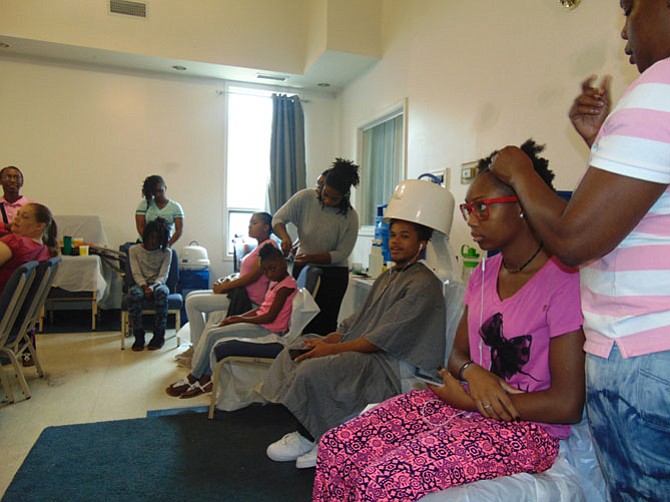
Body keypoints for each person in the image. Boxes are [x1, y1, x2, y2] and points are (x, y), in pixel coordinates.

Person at [312, 141, 585, 500]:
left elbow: (567, 405)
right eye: (468, 208)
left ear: (522, 206)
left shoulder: (563, 281)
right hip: (467, 403)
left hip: (528, 428)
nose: (471, 219)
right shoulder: (484, 275)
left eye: (482, 208)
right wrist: (475, 374)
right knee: (338, 446)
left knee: (383, 479)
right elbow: (457, 356)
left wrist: (474, 402)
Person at [488, 3, 670, 498]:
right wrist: (603, 147)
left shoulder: (662, 84)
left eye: (630, 8)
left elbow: (573, 241)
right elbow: (637, 218)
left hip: (644, 351)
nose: (624, 29)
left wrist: (520, 169)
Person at [262, 217, 447, 470]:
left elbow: (381, 339)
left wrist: (331, 350)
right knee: (299, 347)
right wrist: (332, 337)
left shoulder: (423, 284)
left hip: (391, 363)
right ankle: (309, 430)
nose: (395, 241)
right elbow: (360, 319)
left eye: (405, 236)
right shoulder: (390, 276)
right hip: (370, 348)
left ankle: (316, 436)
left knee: (314, 368)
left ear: (421, 244)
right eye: (393, 235)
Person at [165, 243, 297, 398]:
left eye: (272, 268)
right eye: (265, 271)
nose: (269, 274)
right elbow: (262, 309)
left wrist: (240, 319)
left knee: (214, 335)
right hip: (262, 323)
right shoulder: (276, 282)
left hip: (269, 330)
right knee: (214, 330)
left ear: (282, 261)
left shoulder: (286, 286)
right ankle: (205, 377)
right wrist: (237, 318)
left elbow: (270, 317)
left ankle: (194, 376)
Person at [272, 158, 359, 335]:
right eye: (325, 194)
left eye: (334, 198)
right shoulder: (306, 198)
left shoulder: (350, 217)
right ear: (322, 185)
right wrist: (285, 237)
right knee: (300, 322)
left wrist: (312, 257)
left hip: (334, 275)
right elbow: (278, 219)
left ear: (344, 195)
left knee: (325, 325)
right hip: (304, 268)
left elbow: (342, 253)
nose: (327, 201)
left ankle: (321, 361)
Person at [180, 212, 277, 361]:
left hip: (249, 299)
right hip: (240, 292)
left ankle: (197, 352)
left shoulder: (269, 246)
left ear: (266, 227)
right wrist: (225, 281)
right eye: (250, 222)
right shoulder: (259, 247)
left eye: (254, 223)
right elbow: (243, 274)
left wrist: (226, 287)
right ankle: (197, 348)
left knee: (192, 303)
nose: (249, 226)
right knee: (192, 296)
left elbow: (253, 276)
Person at [127, 217, 172, 351]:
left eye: (158, 239)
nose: (154, 242)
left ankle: (158, 336)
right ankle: (139, 336)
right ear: (146, 235)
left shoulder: (167, 252)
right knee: (134, 294)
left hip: (158, 284)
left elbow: (163, 275)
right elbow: (136, 273)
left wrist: (153, 287)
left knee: (162, 293)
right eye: (152, 237)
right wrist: (144, 286)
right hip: (141, 284)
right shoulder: (134, 250)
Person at [0, 202, 58, 292]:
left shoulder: (16, 242)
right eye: (18, 214)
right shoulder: (44, 250)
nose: (17, 218)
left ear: (39, 226)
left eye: (25, 217)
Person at [135, 175, 184, 246]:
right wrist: (150, 243)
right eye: (155, 192)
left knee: (174, 256)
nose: (158, 194)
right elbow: (140, 227)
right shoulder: (144, 205)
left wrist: (168, 244)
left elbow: (179, 230)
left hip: (164, 245)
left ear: (165, 188)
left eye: (160, 190)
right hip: (144, 244)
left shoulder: (176, 208)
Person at [0, 166, 31, 235]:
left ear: (22, 182)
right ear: (0, 181)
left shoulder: (31, 206)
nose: (12, 180)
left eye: (16, 177)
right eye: (7, 177)